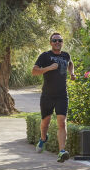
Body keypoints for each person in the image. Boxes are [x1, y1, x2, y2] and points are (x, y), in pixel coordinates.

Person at [31, 32, 76, 162]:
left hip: (62, 95)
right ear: (51, 43)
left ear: (62, 42)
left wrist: (72, 73)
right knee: (45, 122)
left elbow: (70, 63)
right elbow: (34, 71)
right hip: (47, 96)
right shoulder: (45, 56)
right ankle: (43, 138)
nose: (57, 42)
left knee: (62, 122)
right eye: (55, 40)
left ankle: (62, 151)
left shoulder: (66, 55)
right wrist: (49, 68)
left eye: (60, 40)